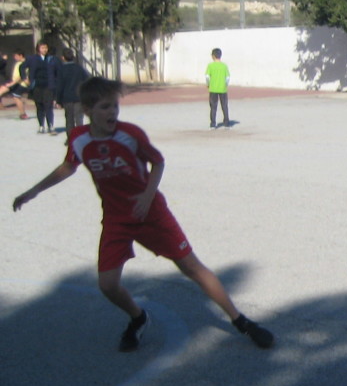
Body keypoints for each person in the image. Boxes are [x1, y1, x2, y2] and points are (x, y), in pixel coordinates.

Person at [11, 77, 275, 353]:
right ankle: (138, 318)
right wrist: (34, 191)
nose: (112, 112)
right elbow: (68, 167)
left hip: (151, 214)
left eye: (115, 106)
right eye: (104, 107)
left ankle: (241, 321)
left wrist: (148, 195)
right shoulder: (79, 138)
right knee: (108, 285)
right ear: (88, 110)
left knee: (192, 268)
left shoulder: (130, 134)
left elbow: (158, 162)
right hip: (116, 218)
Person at [24, 41, 59, 135]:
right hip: (37, 86)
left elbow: (58, 71)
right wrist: (25, 78)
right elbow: (22, 67)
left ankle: (50, 125)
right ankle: (41, 126)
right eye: (42, 48)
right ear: (38, 49)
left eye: (46, 48)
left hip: (48, 86)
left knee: (49, 106)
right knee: (39, 106)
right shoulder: (32, 59)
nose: (44, 50)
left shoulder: (52, 59)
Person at [53, 47, 90, 135]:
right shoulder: (79, 68)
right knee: (79, 118)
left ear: (63, 57)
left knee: (69, 119)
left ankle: (70, 138)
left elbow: (59, 86)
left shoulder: (61, 70)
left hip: (67, 98)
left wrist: (58, 100)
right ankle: (81, 136)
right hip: (78, 97)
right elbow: (87, 81)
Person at [206, 48, 231, 129]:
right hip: (223, 89)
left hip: (213, 89)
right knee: (224, 106)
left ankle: (213, 124)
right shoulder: (224, 66)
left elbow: (207, 76)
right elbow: (227, 77)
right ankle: (226, 123)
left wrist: (208, 84)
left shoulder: (210, 66)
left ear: (213, 56)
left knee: (213, 106)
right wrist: (225, 85)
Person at [0, 51, 29, 118]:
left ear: (21, 55)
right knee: (16, 97)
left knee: (16, 97)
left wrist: (11, 84)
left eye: (16, 56)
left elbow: (21, 76)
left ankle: (23, 114)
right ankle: (23, 114)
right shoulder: (18, 63)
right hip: (13, 82)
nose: (15, 58)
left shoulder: (24, 64)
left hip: (19, 84)